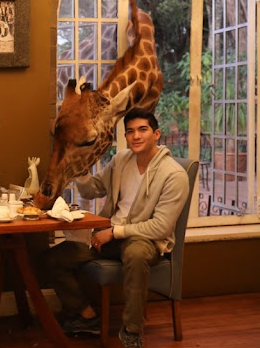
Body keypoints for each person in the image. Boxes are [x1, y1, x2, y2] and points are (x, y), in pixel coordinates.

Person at [44, 108, 189, 348]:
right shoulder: (121, 160)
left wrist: (114, 232)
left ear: (156, 134)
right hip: (110, 237)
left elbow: (161, 227)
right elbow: (92, 189)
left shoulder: (173, 175)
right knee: (54, 259)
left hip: (145, 240)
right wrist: (79, 167)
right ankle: (85, 316)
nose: (136, 136)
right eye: (130, 131)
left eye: (143, 130)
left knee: (135, 252)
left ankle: (132, 330)